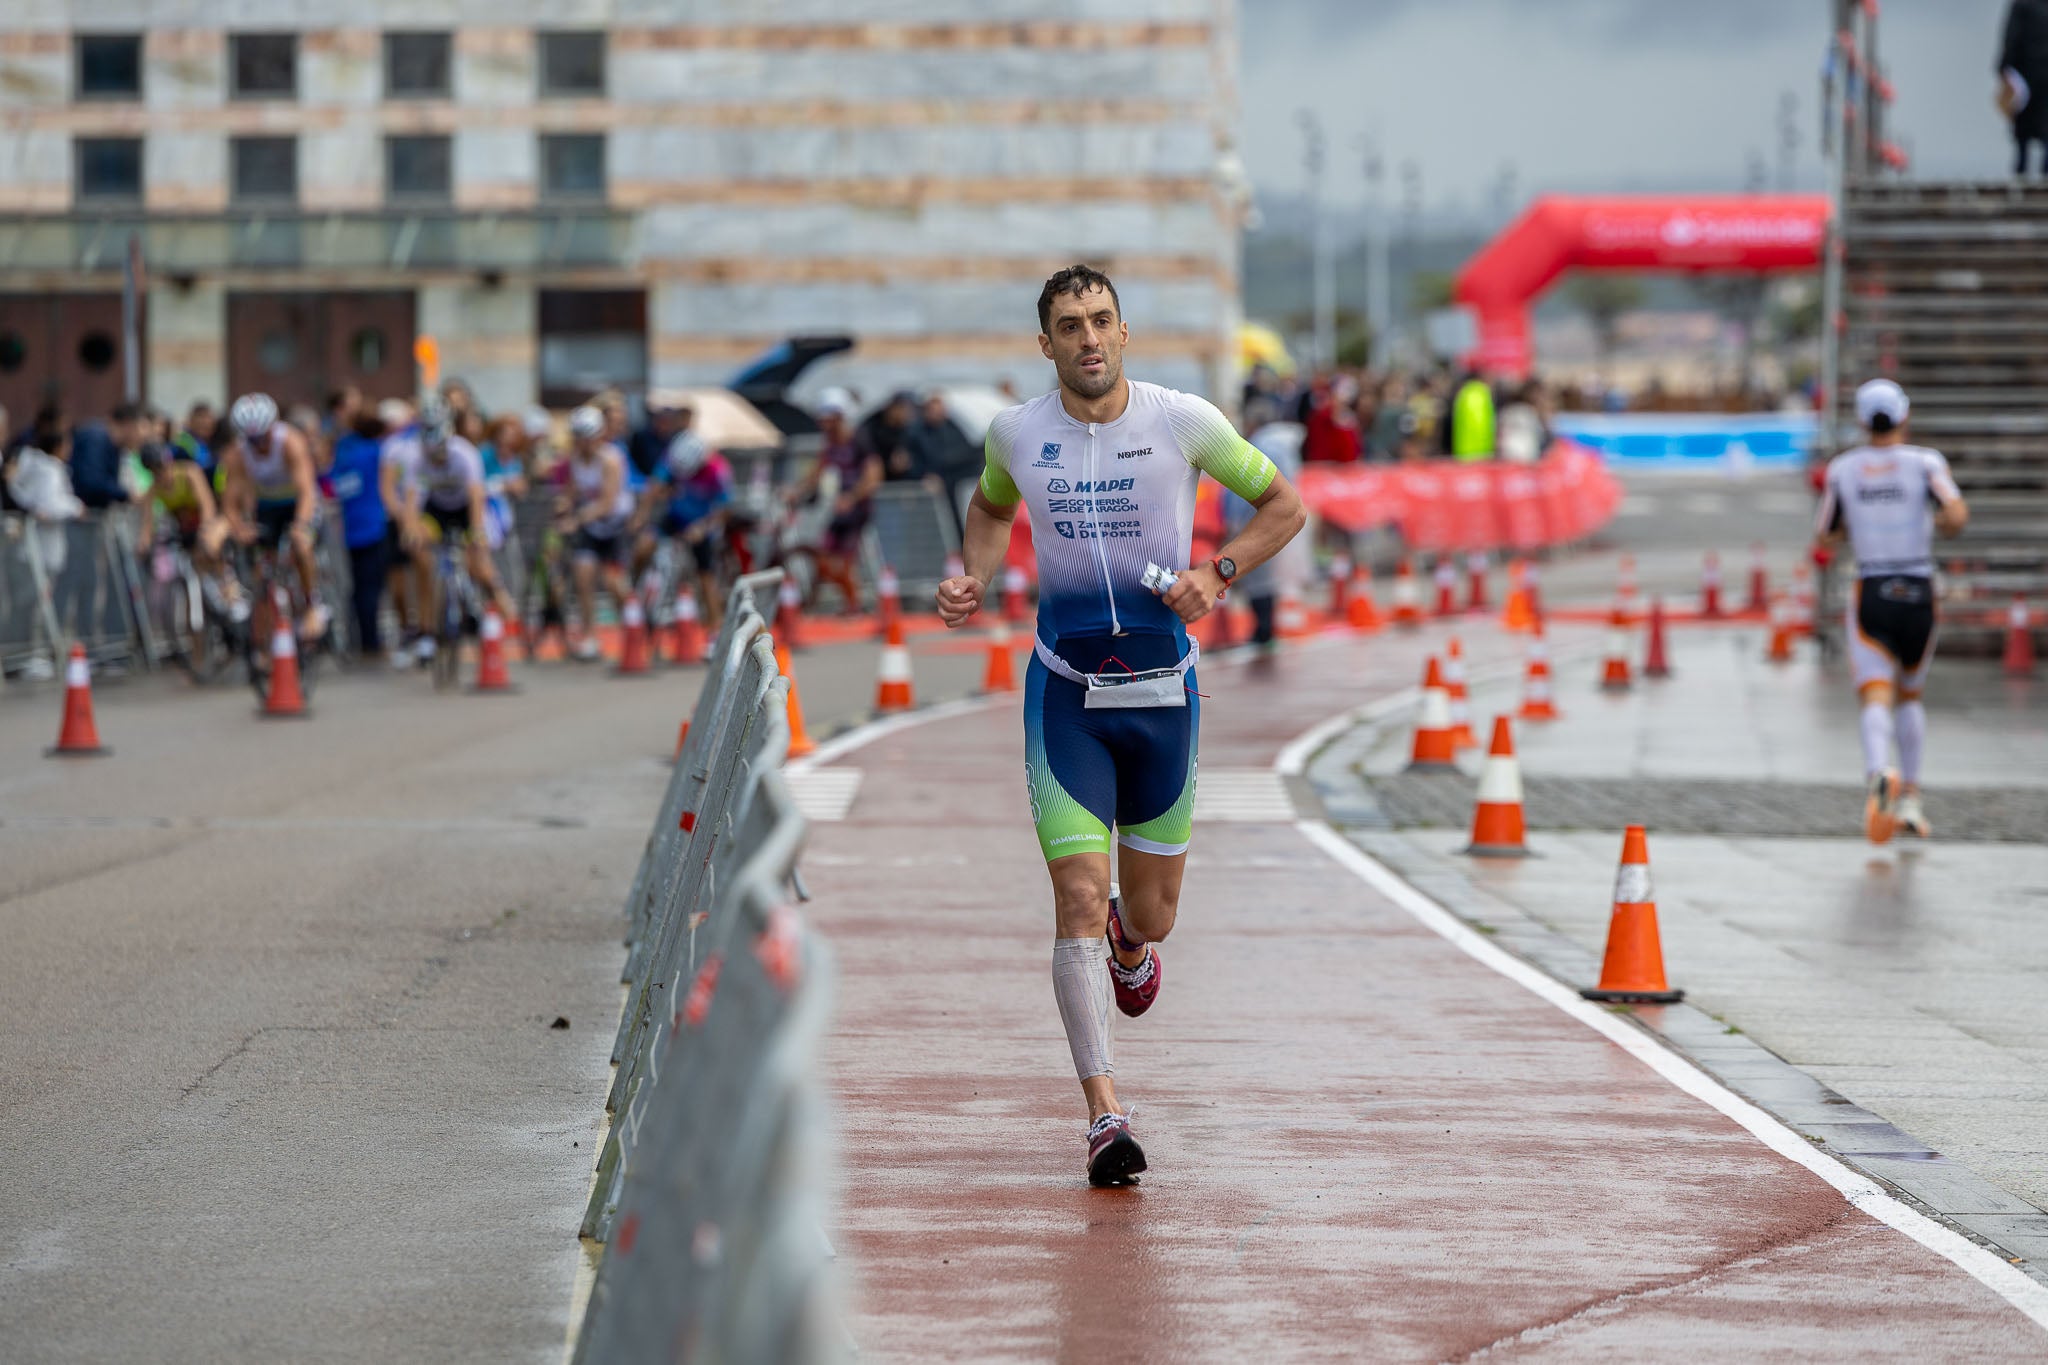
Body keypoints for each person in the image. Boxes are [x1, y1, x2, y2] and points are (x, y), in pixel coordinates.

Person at [935, 264, 1307, 1187]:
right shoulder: (1016, 433)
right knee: (1072, 891)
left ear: (1124, 332)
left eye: (1101, 320)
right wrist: (972, 575)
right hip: (1065, 698)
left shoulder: (1183, 421)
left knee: (1151, 914)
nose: (1088, 338)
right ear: (1047, 344)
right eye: (1070, 325)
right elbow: (987, 508)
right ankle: (1105, 1113)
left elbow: (1286, 506)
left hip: (1162, 700)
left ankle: (1128, 941)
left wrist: (1217, 575)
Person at [1815, 379, 1970, 844]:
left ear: (1862, 421)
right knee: (1911, 695)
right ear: (1904, 415)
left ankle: (1878, 771)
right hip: (1920, 586)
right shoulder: (1925, 463)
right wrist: (1936, 521)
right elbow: (1958, 516)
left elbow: (1825, 533)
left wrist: (1858, 528)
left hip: (1873, 585)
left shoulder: (1844, 469)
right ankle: (1913, 798)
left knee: (1875, 692)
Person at [400, 398, 509, 659]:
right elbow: (413, 501)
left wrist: (477, 533)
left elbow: (475, 497)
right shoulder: (416, 457)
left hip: (465, 510)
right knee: (421, 557)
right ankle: (427, 630)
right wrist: (410, 530)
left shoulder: (464, 454)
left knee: (478, 561)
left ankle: (501, 602)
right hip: (437, 511)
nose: (435, 460)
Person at [220, 392, 328, 639]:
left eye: (263, 437)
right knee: (262, 568)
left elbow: (307, 491)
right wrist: (239, 528)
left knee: (301, 545)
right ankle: (266, 636)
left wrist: (301, 525)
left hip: (299, 503)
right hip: (268, 506)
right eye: (252, 440)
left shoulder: (290, 441)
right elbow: (230, 502)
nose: (259, 445)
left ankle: (313, 604)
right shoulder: (237, 454)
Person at [635, 403, 733, 631]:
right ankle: (637, 591)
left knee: (705, 576)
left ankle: (714, 629)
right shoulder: (673, 456)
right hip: (675, 516)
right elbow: (655, 486)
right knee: (644, 545)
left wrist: (703, 527)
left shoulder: (717, 470)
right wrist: (641, 515)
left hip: (703, 523)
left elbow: (724, 510)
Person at [557, 404, 636, 661]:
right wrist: (564, 506)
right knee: (583, 576)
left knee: (613, 583)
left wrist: (576, 519)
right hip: (590, 527)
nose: (583, 443)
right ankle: (590, 634)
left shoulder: (611, 460)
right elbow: (572, 491)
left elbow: (607, 502)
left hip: (614, 525)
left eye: (587, 437)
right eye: (579, 438)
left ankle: (634, 626)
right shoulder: (576, 461)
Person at [793, 392, 881, 612]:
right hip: (841, 509)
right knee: (824, 552)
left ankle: (853, 603)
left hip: (857, 508)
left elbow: (874, 476)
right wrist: (797, 490)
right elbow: (819, 470)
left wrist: (852, 498)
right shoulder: (831, 442)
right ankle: (815, 602)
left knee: (844, 559)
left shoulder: (858, 441)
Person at [328, 407, 395, 661]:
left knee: (357, 586)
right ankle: (370, 641)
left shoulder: (344, 452)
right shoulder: (375, 453)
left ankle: (357, 637)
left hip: (350, 528)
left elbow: (335, 482)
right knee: (371, 588)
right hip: (374, 527)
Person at [68, 401, 146, 509]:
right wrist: (127, 495)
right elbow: (92, 481)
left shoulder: (115, 447)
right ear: (129, 425)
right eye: (141, 428)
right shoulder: (96, 438)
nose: (142, 437)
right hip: (79, 517)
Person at [2001, 0, 2048, 174]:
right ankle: (2045, 173)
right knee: (2045, 126)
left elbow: (2011, 37)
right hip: (2041, 75)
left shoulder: (2021, 6)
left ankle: (2021, 171)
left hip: (2023, 75)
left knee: (2023, 129)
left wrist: (2004, 67)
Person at [858, 390, 921, 482]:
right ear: (892, 408)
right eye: (904, 408)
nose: (909, 413)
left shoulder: (910, 428)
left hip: (903, 483)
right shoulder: (871, 427)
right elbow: (867, 458)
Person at [173, 402, 218, 473]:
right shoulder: (184, 441)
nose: (205, 423)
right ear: (191, 421)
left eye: (208, 419)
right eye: (201, 418)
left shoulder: (212, 442)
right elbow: (203, 463)